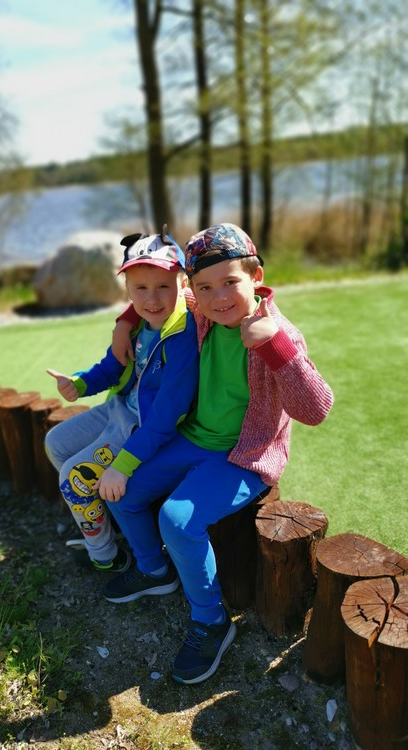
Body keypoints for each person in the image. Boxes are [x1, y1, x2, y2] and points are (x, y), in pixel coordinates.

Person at [100, 222, 334, 685]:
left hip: (243, 455)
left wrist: (274, 345)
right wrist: (125, 321)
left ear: (256, 276)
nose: (219, 296)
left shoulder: (277, 333)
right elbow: (158, 294)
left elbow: (315, 409)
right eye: (205, 286)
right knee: (121, 491)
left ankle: (211, 620)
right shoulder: (201, 311)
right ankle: (154, 570)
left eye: (230, 282)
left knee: (178, 521)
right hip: (192, 439)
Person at [44, 228, 199, 574]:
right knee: (56, 443)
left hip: (140, 427)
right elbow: (112, 366)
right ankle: (106, 524)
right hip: (119, 408)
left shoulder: (183, 335)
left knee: (74, 478)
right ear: (128, 291)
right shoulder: (138, 323)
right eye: (140, 288)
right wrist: (80, 384)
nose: (152, 298)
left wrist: (125, 464)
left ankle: (105, 555)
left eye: (163, 286)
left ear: (183, 283)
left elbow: (167, 414)